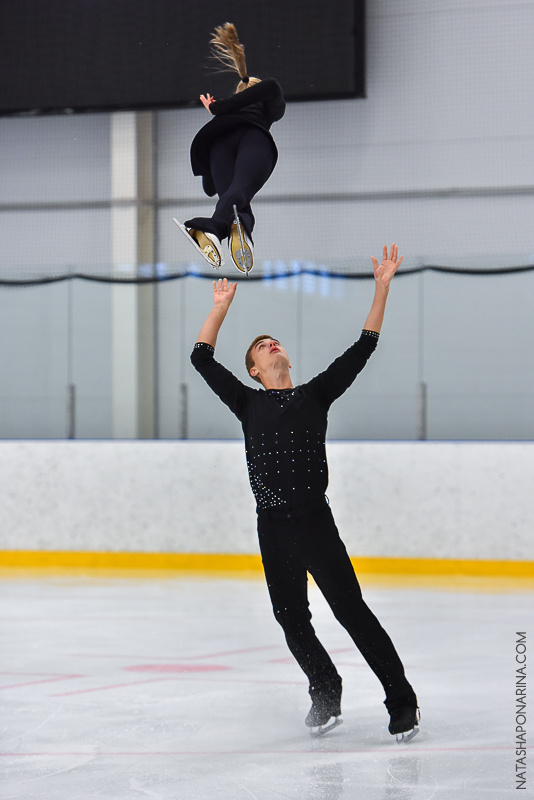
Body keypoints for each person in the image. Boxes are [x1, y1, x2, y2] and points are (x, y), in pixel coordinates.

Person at [190, 245, 420, 742]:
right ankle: (325, 687)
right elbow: (200, 358)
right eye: (261, 346)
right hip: (272, 527)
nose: (271, 345)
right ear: (253, 369)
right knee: (291, 619)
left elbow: (365, 345)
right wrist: (220, 309)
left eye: (274, 342)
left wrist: (381, 287)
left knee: (352, 612)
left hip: (315, 522)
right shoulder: (247, 403)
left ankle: (401, 701)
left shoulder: (316, 394)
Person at [175, 23, 286, 273]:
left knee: (234, 200)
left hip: (217, 143)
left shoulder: (224, 121)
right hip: (254, 140)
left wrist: (222, 109)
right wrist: (220, 107)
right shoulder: (267, 110)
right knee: (239, 193)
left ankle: (239, 228)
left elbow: (209, 188)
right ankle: (213, 229)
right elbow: (272, 86)